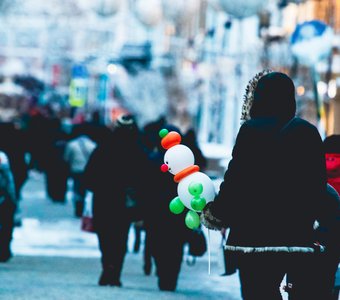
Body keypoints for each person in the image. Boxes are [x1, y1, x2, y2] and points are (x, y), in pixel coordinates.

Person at [202, 71, 328, 299]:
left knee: (258, 292)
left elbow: (236, 182)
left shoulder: (251, 131)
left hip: (253, 235)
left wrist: (217, 213)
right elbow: (317, 185)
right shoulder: (307, 132)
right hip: (295, 234)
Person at [84, 114, 146, 287]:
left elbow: (88, 176)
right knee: (120, 238)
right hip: (125, 203)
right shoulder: (138, 151)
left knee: (105, 237)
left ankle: (107, 268)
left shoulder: (103, 148)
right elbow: (144, 180)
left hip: (103, 201)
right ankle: (115, 272)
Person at [141, 124, 188, 291]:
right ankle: (171, 277)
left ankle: (162, 272)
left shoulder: (153, 160)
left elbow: (143, 187)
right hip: (178, 212)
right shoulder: (186, 163)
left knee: (157, 243)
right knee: (176, 246)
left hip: (155, 212)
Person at [64, 124, 97, 217]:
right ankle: (84, 207)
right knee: (85, 190)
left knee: (77, 189)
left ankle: (78, 207)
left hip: (76, 170)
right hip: (87, 171)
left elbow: (66, 158)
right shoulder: (92, 145)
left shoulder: (72, 144)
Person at [0, 151, 17, 262]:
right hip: (5, 199)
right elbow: (9, 182)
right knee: (6, 225)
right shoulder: (2, 156)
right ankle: (4, 250)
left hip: (5, 199)